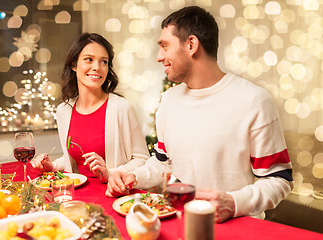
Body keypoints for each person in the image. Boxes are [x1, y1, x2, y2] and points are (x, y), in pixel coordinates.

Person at [106, 6, 293, 222]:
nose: (159, 57)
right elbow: (162, 162)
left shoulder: (254, 101)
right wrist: (133, 177)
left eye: (165, 46)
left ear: (191, 45)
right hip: (179, 225)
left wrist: (233, 203)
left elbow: (279, 178)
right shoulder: (169, 100)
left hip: (236, 229)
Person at [31, 33, 149, 183]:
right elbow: (76, 161)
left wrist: (109, 173)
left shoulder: (121, 108)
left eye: (103, 62)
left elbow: (142, 159)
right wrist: (52, 166)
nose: (97, 67)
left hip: (111, 195)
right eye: (89, 59)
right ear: (74, 65)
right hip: (76, 196)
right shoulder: (64, 110)